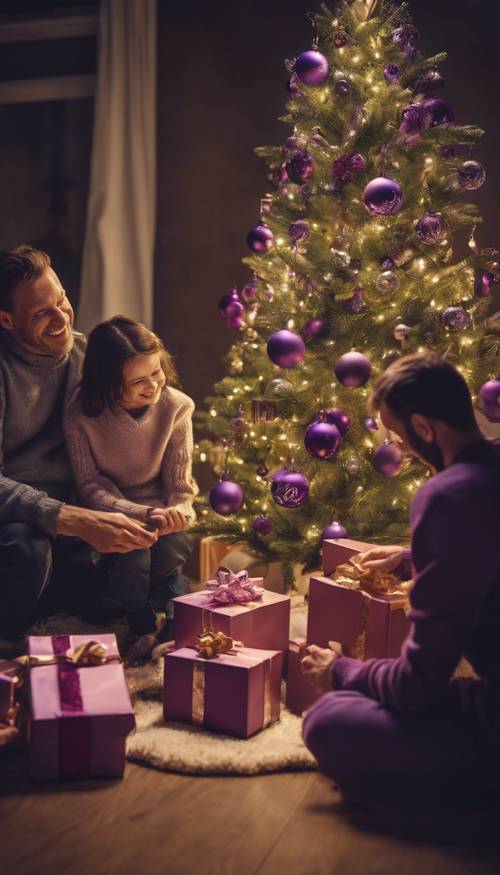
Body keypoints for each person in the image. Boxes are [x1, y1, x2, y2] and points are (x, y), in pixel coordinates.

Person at [301, 352, 500, 809]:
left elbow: (417, 685)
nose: (401, 450)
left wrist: (340, 671)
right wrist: (411, 558)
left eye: (400, 437)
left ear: (425, 428)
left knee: (327, 719)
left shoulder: (447, 496)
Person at [0, 246, 158, 646]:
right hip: (19, 521)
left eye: (62, 300)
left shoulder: (90, 354)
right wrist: (72, 519)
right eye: (41, 314)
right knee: (26, 551)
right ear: (6, 319)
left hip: (81, 507)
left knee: (154, 541)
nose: (61, 319)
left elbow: (148, 416)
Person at [63, 316, 194, 661]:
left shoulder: (177, 407)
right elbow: (91, 486)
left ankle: (150, 612)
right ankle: (143, 622)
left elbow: (180, 487)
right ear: (107, 383)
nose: (153, 386)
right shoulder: (80, 416)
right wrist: (140, 513)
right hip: (108, 514)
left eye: (156, 372)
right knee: (133, 550)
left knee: (177, 543)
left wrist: (178, 513)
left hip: (160, 514)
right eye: (138, 381)